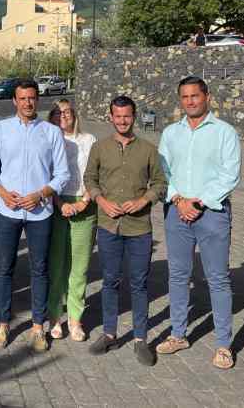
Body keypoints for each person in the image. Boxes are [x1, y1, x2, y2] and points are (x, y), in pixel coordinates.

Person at [156, 76, 241, 370]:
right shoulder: (170, 133)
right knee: (178, 275)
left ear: (207, 97)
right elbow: (162, 173)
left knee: (218, 278)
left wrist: (199, 202)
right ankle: (178, 334)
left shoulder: (225, 132)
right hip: (177, 212)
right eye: (185, 97)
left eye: (195, 95)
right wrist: (180, 200)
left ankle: (223, 345)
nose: (190, 101)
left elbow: (230, 174)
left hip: (212, 213)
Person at [0, 81, 69, 352]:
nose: (28, 103)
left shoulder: (51, 132)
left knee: (39, 269)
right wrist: (1, 191)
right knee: (4, 267)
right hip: (6, 209)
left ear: (37, 99)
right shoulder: (1, 128)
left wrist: (41, 193)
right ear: (14, 101)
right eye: (22, 98)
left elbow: (62, 174)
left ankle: (37, 326)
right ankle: (2, 323)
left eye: (32, 98)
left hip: (39, 211)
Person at [86, 95, 167, 367]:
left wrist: (144, 200)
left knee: (139, 283)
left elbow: (160, 183)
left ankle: (141, 339)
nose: (122, 121)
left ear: (134, 117)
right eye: (118, 116)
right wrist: (101, 201)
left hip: (139, 228)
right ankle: (110, 334)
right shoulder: (99, 148)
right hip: (108, 226)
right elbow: (90, 179)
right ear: (111, 117)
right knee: (110, 281)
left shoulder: (148, 150)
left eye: (127, 116)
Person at [46, 99, 97, 342]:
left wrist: (84, 201)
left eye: (67, 111)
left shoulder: (89, 140)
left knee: (79, 266)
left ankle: (75, 318)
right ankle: (55, 315)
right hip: (55, 204)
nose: (63, 116)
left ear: (74, 114)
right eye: (58, 112)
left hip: (84, 204)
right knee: (56, 264)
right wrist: (59, 203)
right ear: (51, 117)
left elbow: (96, 174)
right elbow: (44, 174)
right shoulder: (47, 140)